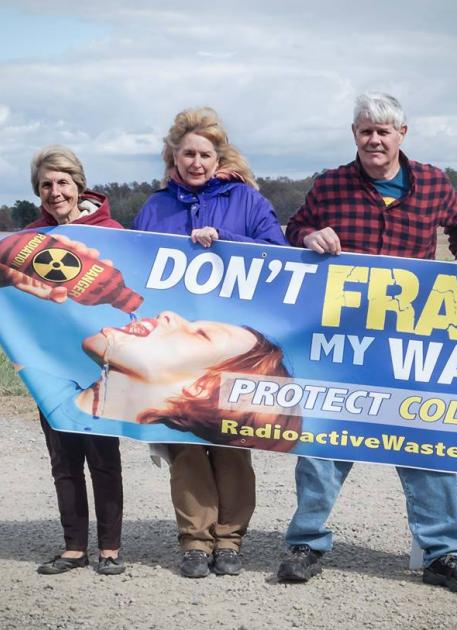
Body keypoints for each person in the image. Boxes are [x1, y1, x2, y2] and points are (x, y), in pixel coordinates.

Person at [278, 92, 457, 593]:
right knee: (324, 440)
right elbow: (294, 229)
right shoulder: (330, 185)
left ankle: (441, 554)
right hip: (341, 339)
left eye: (384, 130)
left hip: (407, 340)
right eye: (366, 130)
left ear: (402, 135)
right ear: (355, 135)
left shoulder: (433, 182)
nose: (375, 138)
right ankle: (306, 543)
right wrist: (308, 236)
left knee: (426, 443)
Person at [132, 107, 287, 578]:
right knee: (184, 443)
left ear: (219, 158)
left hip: (231, 345)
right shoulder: (155, 206)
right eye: (187, 154)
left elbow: (277, 251)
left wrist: (225, 240)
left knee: (230, 442)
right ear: (173, 157)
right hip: (175, 347)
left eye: (204, 154)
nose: (195, 162)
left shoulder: (247, 200)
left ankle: (231, 539)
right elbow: (137, 263)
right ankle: (195, 541)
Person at [24, 145, 125, 576]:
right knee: (63, 459)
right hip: (48, 365)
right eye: (46, 185)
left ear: (78, 185)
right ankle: (72, 546)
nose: (55, 191)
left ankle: (110, 548)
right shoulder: (27, 241)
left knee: (102, 456)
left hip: (98, 363)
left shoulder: (113, 232)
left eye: (62, 182)